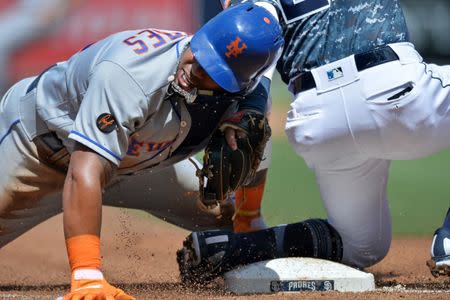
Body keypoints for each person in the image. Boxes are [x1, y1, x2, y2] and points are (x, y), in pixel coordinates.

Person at [0, 3, 283, 299]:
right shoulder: (129, 71)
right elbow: (86, 169)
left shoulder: (241, 95)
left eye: (213, 71)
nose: (196, 70)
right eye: (201, 54)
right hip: (35, 151)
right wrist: (87, 276)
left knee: (227, 219)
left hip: (131, 167)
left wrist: (248, 215)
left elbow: (254, 123)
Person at [177, 0, 450, 282]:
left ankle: (236, 248)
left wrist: (250, 111)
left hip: (318, 119)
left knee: (363, 245)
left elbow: (255, 69)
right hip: (398, 94)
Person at [0, 0, 83, 95]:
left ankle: (2, 92)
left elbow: (59, 9)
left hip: (40, 20)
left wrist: (52, 14)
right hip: (23, 15)